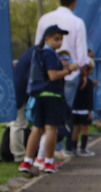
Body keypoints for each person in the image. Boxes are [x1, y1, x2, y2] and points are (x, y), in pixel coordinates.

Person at [19, 25, 79, 176]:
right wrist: (69, 69)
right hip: (53, 96)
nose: (59, 43)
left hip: (39, 96)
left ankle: (27, 160)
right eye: (56, 39)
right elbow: (52, 76)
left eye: (61, 39)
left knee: (37, 129)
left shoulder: (38, 53)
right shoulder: (50, 54)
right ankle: (49, 161)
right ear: (46, 39)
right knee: (51, 129)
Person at [34, 0, 90, 110]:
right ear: (74, 3)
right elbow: (81, 55)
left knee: (45, 117)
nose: (59, 42)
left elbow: (37, 46)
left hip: (45, 75)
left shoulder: (44, 19)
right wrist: (83, 73)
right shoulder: (77, 22)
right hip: (69, 74)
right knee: (62, 113)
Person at [70, 54, 97, 157]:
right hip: (85, 110)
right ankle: (83, 149)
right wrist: (90, 111)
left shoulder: (76, 81)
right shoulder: (89, 83)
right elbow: (90, 98)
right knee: (85, 129)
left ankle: (73, 148)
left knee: (75, 129)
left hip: (75, 109)